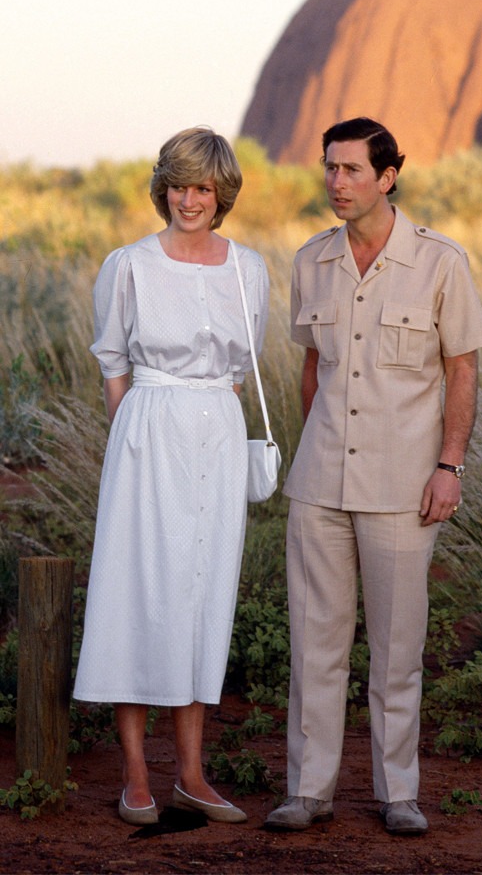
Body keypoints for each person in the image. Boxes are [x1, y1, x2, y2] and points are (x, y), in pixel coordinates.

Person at [265, 117, 482, 835]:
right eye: (329, 169)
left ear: (387, 177)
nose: (336, 183)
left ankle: (400, 794)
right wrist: (316, 449)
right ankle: (309, 790)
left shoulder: (440, 262)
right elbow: (313, 368)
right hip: (319, 486)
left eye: (352, 170)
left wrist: (449, 466)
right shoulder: (311, 262)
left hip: (403, 487)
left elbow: (463, 367)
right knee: (314, 644)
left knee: (397, 649)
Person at [74, 126, 269, 826]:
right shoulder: (128, 264)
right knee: (138, 591)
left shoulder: (249, 268)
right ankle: (135, 776)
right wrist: (135, 440)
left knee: (201, 592)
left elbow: (241, 372)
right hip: (146, 434)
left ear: (223, 195)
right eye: (180, 185)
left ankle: (191, 774)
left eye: (204, 188)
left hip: (216, 431)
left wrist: (209, 427)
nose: (190, 199)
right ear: (163, 189)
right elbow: (113, 363)